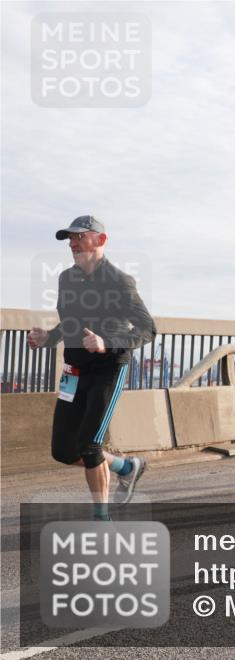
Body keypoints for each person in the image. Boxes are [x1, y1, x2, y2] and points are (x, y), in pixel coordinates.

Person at [27, 216, 154, 518]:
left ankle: (102, 520)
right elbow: (69, 323)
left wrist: (106, 342)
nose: (72, 244)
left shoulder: (120, 281)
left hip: (108, 369)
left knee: (90, 446)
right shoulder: (66, 279)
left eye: (79, 237)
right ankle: (127, 466)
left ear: (100, 240)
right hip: (74, 370)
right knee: (63, 451)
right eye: (69, 239)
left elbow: (147, 329)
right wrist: (48, 338)